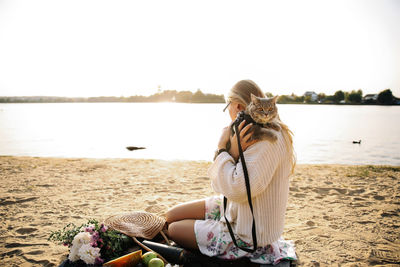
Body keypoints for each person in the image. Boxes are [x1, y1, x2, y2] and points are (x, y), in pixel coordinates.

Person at [165, 80, 297, 264]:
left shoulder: (265, 140)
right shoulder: (259, 129)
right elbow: (236, 179)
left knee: (174, 229)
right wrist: (233, 152)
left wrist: (222, 148)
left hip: (249, 233)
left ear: (238, 106)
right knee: (171, 215)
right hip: (239, 210)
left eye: (227, 106)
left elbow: (237, 189)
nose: (228, 112)